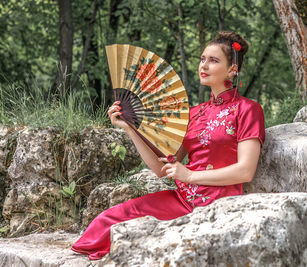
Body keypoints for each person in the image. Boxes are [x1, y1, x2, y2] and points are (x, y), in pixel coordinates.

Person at [71, 31, 265, 260]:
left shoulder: (248, 109)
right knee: (111, 220)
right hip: (181, 199)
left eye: (213, 60)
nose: (204, 65)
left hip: (218, 205)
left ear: (233, 69)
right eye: (202, 59)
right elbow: (162, 169)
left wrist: (190, 175)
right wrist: (130, 129)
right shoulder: (194, 113)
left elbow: (245, 170)